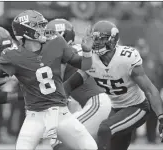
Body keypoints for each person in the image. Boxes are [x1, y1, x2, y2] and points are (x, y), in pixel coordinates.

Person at [0, 10, 97, 150]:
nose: (44, 29)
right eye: (38, 26)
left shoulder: (56, 41)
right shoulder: (13, 56)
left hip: (61, 113)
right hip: (36, 116)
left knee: (90, 147)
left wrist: (87, 51)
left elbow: (85, 65)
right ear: (26, 31)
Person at [63, 20, 163, 150]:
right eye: (95, 39)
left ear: (112, 40)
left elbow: (150, 90)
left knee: (104, 129)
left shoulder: (126, 58)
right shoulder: (91, 60)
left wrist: (162, 118)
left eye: (101, 39)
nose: (96, 42)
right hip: (116, 108)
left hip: (137, 107)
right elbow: (70, 84)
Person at [43, 18, 112, 150]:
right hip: (98, 103)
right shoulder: (77, 50)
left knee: (60, 139)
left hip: (97, 104)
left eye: (49, 36)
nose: (45, 41)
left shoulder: (66, 53)